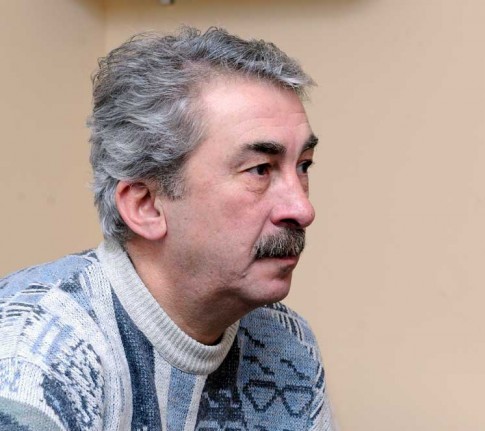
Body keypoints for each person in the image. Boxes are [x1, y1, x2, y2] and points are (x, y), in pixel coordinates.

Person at [0, 27, 335, 431]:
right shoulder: (31, 353)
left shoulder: (287, 344)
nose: (302, 209)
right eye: (260, 170)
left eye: (304, 166)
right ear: (146, 206)